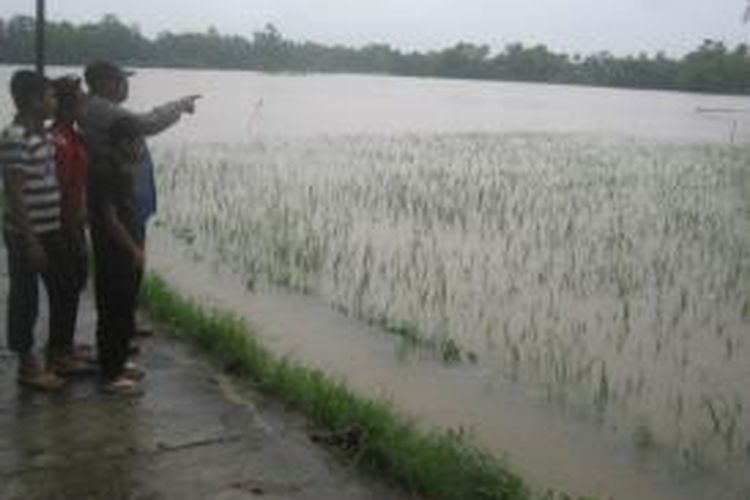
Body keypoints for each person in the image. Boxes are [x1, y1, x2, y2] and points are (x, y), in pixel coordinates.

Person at [80, 60, 199, 365]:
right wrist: (178, 106)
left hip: (128, 204)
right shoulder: (101, 109)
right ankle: (115, 350)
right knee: (119, 275)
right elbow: (144, 123)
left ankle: (124, 331)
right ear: (105, 82)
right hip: (119, 208)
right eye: (121, 80)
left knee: (128, 273)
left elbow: (140, 126)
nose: (126, 86)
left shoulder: (101, 108)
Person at [0, 70, 78, 390]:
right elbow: (16, 194)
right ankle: (27, 365)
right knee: (26, 297)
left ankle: (58, 352)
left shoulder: (43, 134)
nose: (54, 102)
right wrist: (31, 241)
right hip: (26, 234)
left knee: (67, 286)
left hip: (51, 228)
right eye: (50, 97)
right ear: (34, 100)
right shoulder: (15, 137)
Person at [87, 116, 146, 395]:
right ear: (124, 142)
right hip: (114, 254)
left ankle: (118, 363)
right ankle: (111, 374)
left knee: (122, 311)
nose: (142, 148)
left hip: (121, 252)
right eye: (138, 142)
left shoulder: (117, 165)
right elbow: (110, 218)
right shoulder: (107, 169)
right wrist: (133, 249)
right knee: (114, 311)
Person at [50, 75, 92, 373]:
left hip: (74, 222)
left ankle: (65, 344)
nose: (85, 102)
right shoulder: (59, 140)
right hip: (62, 225)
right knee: (64, 286)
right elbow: (58, 187)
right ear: (67, 105)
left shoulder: (73, 135)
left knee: (75, 282)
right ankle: (59, 354)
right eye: (80, 98)